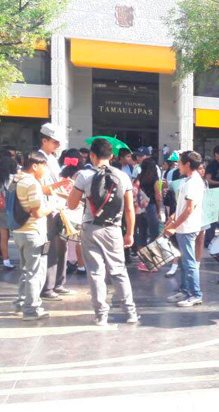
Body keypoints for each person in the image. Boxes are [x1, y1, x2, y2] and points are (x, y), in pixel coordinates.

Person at [67, 138, 139, 325]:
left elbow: (71, 204)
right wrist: (129, 233)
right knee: (118, 271)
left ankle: (101, 315)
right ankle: (130, 312)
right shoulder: (123, 176)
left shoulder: (83, 176)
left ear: (92, 155)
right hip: (114, 229)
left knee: (96, 272)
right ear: (112, 156)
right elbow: (130, 209)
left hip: (91, 228)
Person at [13, 152, 55, 320]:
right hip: (34, 232)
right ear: (35, 166)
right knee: (35, 272)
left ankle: (21, 303)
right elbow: (37, 212)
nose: (45, 169)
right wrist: (52, 206)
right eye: (44, 165)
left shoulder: (17, 179)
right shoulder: (32, 183)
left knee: (25, 271)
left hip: (18, 231)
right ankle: (31, 310)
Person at [163, 151, 205, 308]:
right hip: (182, 226)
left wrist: (173, 226)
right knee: (183, 261)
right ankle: (185, 290)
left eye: (180, 163)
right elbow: (184, 207)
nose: (177, 166)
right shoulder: (188, 180)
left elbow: (189, 209)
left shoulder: (194, 182)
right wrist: (173, 217)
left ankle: (195, 294)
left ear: (188, 164)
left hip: (187, 227)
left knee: (189, 262)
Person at [37, 123, 73, 301]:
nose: (58, 146)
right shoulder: (38, 159)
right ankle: (47, 287)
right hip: (48, 208)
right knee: (50, 246)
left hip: (57, 206)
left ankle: (59, 283)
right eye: (55, 142)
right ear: (44, 140)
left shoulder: (51, 158)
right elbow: (43, 188)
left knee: (62, 244)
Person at [0, 156, 18, 269]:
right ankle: (24, 261)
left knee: (3, 237)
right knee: (19, 236)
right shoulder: (15, 178)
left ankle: (6, 261)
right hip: (13, 210)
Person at [136, 158, 165, 272]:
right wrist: (159, 211)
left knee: (141, 234)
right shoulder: (155, 180)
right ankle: (150, 262)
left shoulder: (139, 178)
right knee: (154, 234)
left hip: (140, 208)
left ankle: (142, 262)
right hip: (151, 207)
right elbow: (158, 197)